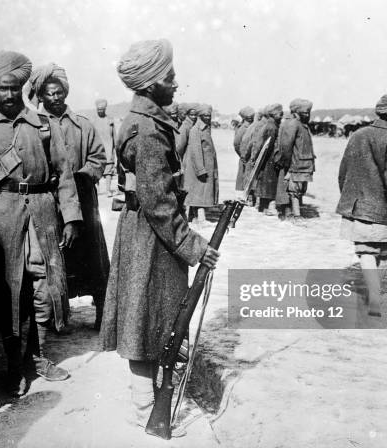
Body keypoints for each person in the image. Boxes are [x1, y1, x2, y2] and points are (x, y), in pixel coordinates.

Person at [99, 39, 219, 430]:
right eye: (169, 77)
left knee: (151, 318)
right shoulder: (149, 130)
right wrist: (196, 247)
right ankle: (145, 411)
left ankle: (148, 406)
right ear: (151, 84)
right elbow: (160, 203)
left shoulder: (143, 121)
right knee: (145, 320)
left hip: (147, 234)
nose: (175, 83)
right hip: (153, 238)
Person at [0, 50, 83, 396]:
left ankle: (37, 357)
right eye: (2, 88)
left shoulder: (43, 125)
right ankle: (11, 364)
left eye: (14, 88)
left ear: (22, 87)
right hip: (3, 215)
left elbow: (64, 174)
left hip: (42, 212)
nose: (9, 95)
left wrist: (70, 217)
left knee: (44, 286)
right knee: (9, 289)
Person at [27, 62, 109, 330]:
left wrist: (84, 176)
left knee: (93, 259)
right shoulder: (34, 126)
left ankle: (101, 311)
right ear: (40, 96)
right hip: (51, 202)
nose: (55, 97)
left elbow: (99, 158)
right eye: (49, 93)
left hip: (84, 201)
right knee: (55, 258)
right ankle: (56, 316)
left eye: (59, 92)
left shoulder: (83, 126)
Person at [337, 92, 387, 317]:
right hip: (384, 207)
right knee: (382, 252)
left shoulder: (357, 134)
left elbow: (343, 172)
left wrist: (350, 198)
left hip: (358, 204)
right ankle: (375, 298)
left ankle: (373, 297)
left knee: (365, 251)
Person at [279, 98, 315, 222]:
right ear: (297, 112)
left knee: (300, 189)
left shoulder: (303, 125)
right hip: (296, 163)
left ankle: (296, 212)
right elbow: (286, 146)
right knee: (294, 190)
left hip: (304, 163)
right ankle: (296, 215)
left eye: (308, 112)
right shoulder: (293, 124)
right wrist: (288, 163)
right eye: (305, 112)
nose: (308, 115)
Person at [184, 103, 219, 224]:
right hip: (199, 168)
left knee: (199, 192)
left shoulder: (205, 129)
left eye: (209, 116)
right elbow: (195, 151)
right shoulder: (196, 130)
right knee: (200, 192)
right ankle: (200, 218)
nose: (208, 118)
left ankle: (193, 217)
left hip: (206, 167)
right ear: (200, 115)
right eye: (205, 115)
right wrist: (200, 169)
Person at [250, 103, 284, 215]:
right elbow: (267, 145)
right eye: (280, 113)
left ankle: (263, 207)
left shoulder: (269, 125)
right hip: (269, 159)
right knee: (269, 185)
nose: (282, 115)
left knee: (265, 183)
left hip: (266, 159)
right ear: (274, 114)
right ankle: (269, 207)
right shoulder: (272, 127)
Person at [92, 98, 117, 196]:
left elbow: (114, 135)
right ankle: (97, 190)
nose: (100, 111)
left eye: (102, 109)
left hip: (108, 148)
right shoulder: (93, 121)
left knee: (108, 170)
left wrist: (115, 147)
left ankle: (108, 189)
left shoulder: (109, 120)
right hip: (97, 149)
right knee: (96, 169)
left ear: (105, 109)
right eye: (98, 109)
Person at [234, 106, 254, 196]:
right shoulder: (242, 128)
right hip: (245, 157)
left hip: (250, 156)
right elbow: (236, 143)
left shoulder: (253, 126)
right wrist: (243, 155)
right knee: (244, 176)